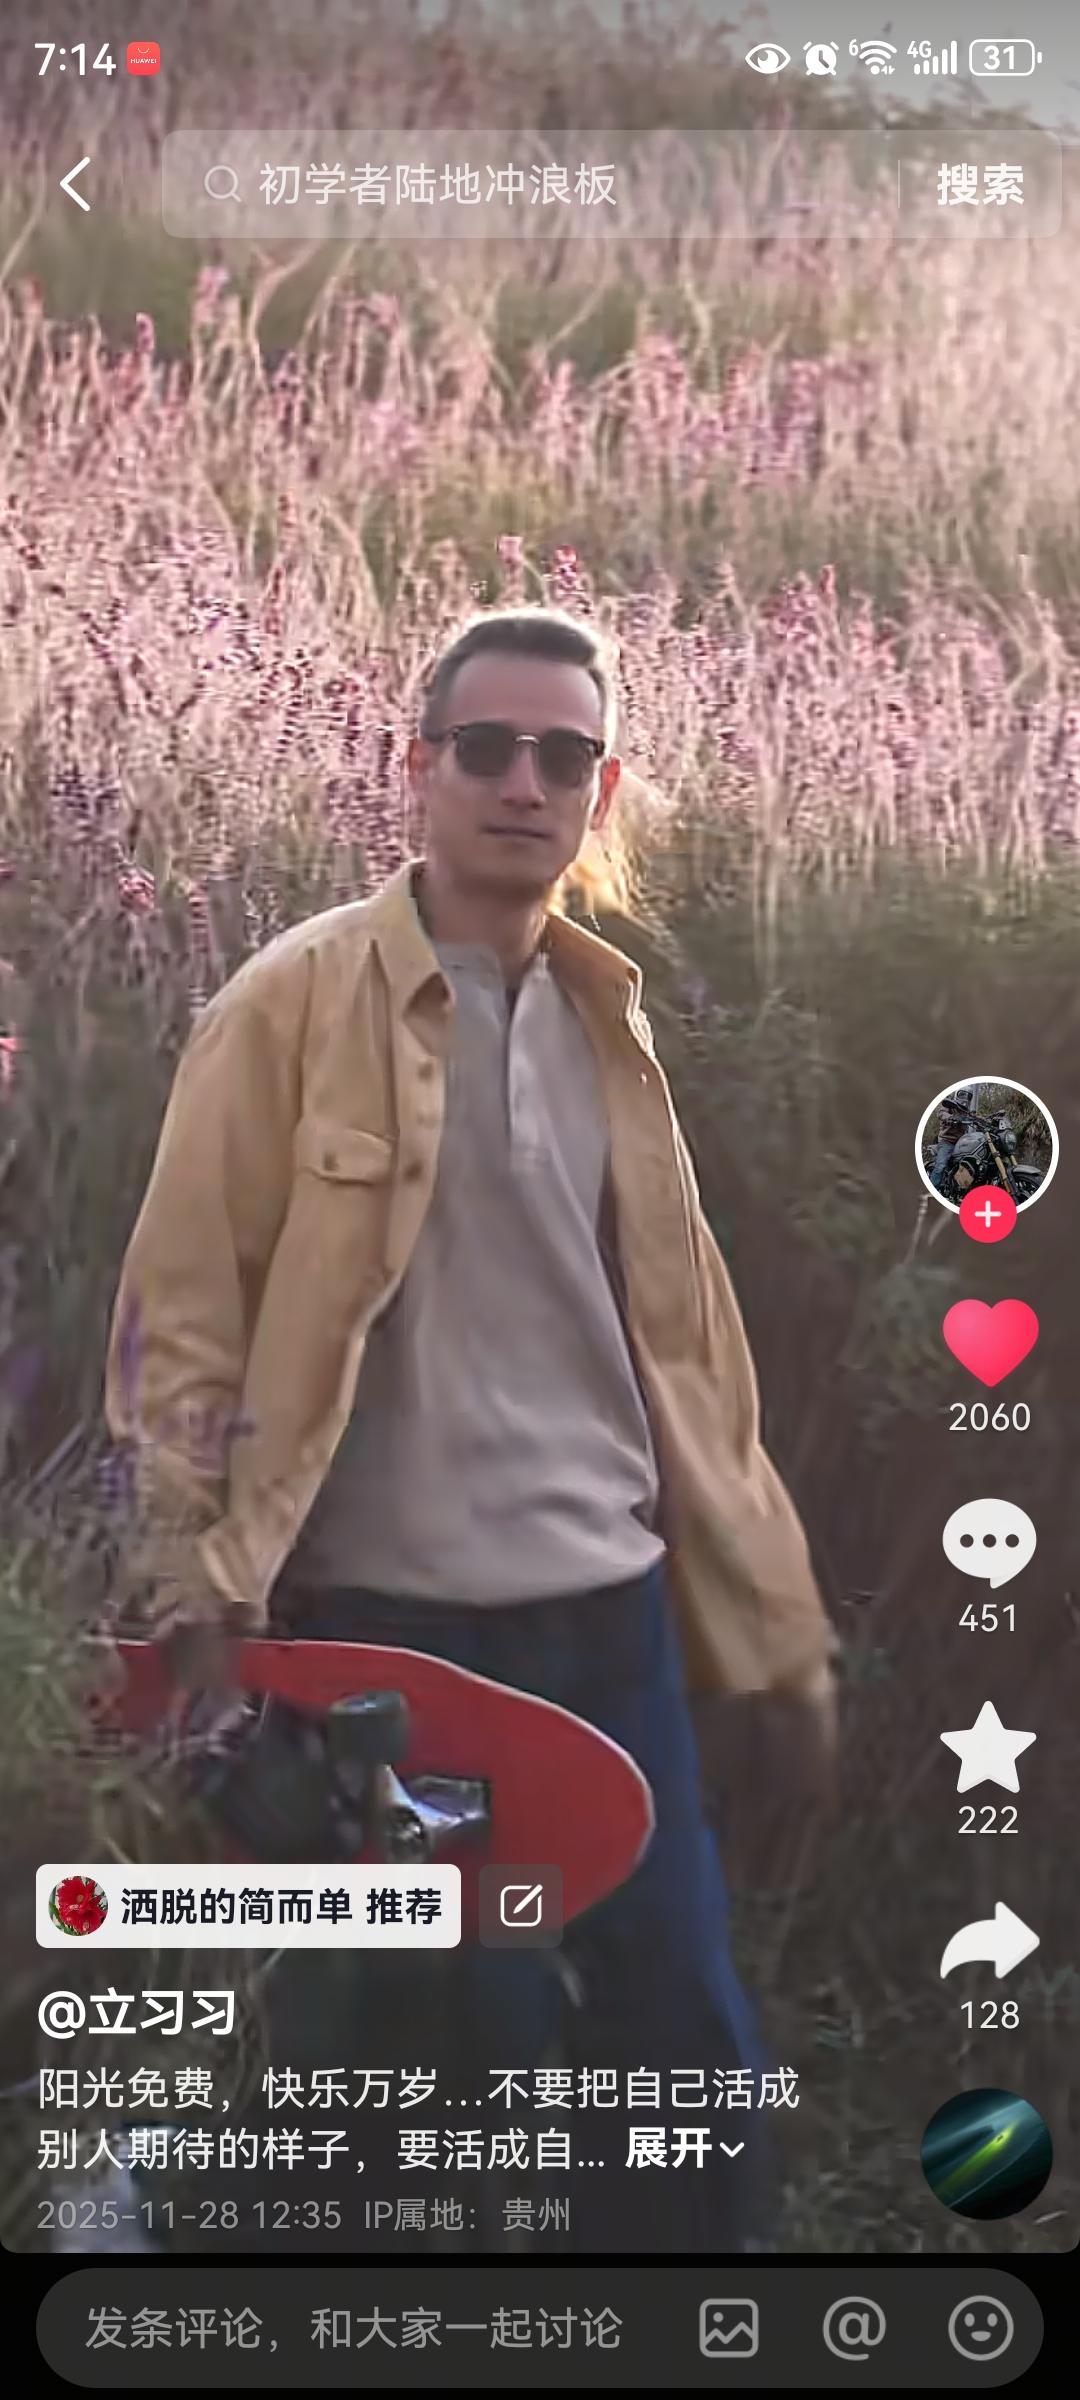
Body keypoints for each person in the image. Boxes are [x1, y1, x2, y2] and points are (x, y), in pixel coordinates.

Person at [102, 605, 837, 2253]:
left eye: (563, 756)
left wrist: (768, 1619)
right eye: (487, 747)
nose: (525, 783)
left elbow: (684, 1351)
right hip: (378, 1627)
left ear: (602, 790)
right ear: (417, 767)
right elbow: (182, 1321)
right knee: (375, 2060)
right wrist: (187, 1596)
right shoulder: (287, 1006)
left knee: (675, 2030)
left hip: (602, 1613)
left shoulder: (611, 1025)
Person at [928, 1084, 980, 1192]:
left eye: (968, 1096)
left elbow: (976, 1117)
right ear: (957, 1094)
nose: (965, 1098)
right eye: (963, 1094)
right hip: (947, 1141)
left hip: (961, 1142)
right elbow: (941, 1113)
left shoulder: (966, 1111)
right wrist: (951, 1117)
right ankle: (931, 1192)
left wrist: (988, 1120)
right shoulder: (950, 1106)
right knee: (941, 1166)